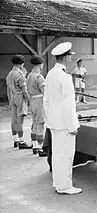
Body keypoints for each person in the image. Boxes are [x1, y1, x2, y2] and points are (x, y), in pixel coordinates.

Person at [43, 42, 82, 195]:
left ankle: (58, 183)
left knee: (57, 154)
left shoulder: (50, 74)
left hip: (54, 122)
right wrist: (73, 126)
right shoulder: (65, 77)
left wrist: (50, 117)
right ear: (65, 57)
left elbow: (46, 101)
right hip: (65, 124)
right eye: (70, 57)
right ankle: (65, 186)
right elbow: (68, 105)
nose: (71, 59)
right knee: (66, 155)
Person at [6, 54, 32, 149]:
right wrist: (29, 101)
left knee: (14, 118)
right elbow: (24, 91)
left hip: (12, 96)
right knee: (20, 119)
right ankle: (22, 141)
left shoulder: (9, 74)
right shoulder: (20, 75)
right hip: (20, 96)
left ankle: (15, 140)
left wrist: (9, 101)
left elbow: (8, 89)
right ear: (21, 64)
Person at [26, 55, 47, 157]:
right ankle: (40, 147)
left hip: (32, 100)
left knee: (34, 123)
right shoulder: (39, 77)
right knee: (41, 124)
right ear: (40, 64)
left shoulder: (29, 75)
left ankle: (34, 146)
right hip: (39, 100)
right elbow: (44, 92)